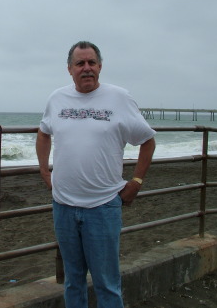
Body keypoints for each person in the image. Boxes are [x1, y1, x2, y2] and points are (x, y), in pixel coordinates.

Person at [36, 41, 156, 308]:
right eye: (80, 63)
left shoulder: (119, 98)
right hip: (63, 206)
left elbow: (147, 140)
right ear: (70, 69)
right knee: (72, 280)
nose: (86, 68)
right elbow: (44, 132)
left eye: (91, 63)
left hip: (103, 207)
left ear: (100, 66)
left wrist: (136, 182)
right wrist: (45, 172)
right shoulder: (57, 98)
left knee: (107, 284)